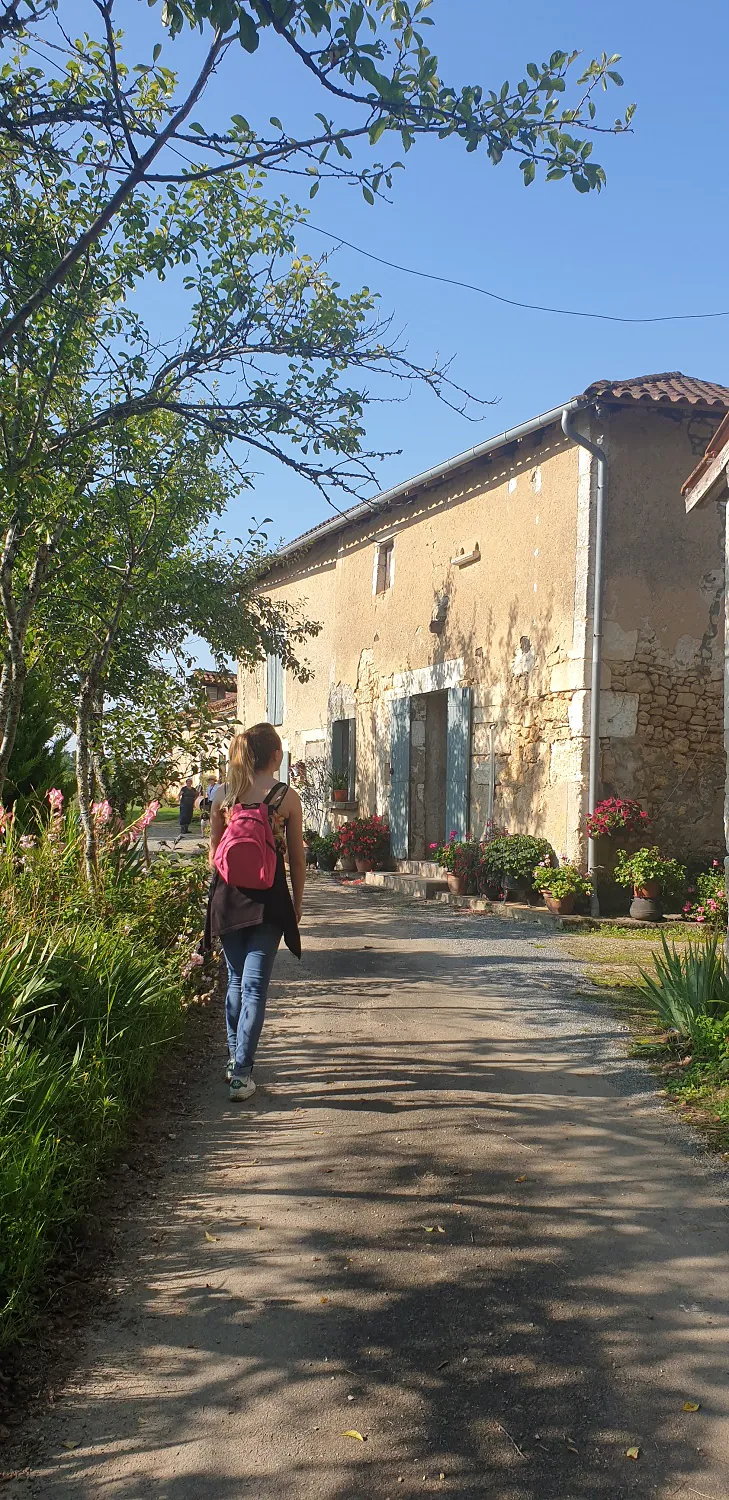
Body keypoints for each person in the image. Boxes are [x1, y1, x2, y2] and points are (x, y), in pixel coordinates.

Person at [205, 723, 305, 1102]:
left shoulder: (222, 796)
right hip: (269, 901)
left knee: (235, 981)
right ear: (276, 756)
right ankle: (242, 1072)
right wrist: (296, 902)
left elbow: (215, 853)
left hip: (228, 899)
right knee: (254, 987)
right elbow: (296, 858)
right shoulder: (286, 798)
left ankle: (235, 1062)